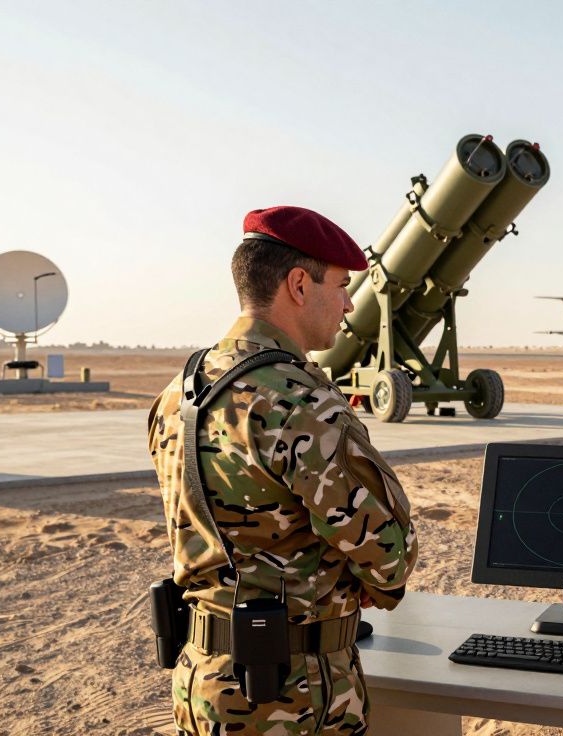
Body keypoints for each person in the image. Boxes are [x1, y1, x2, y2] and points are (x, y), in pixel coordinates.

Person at [149, 205, 418, 735]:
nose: (347, 303)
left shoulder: (180, 394)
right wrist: (362, 580)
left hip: (202, 682)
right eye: (341, 285)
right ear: (299, 284)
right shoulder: (300, 404)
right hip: (293, 697)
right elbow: (389, 559)